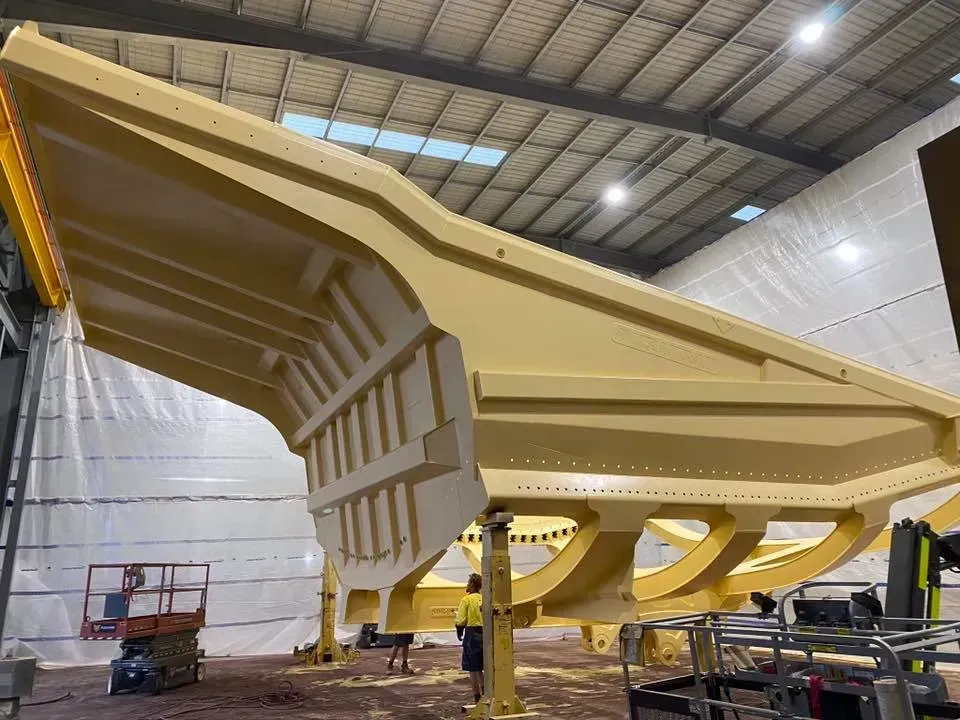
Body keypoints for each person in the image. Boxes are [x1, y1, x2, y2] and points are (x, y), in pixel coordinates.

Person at [455, 573, 483, 704]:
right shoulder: (484, 598)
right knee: (484, 666)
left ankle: (477, 697)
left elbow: (460, 621)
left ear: (470, 584)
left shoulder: (466, 600)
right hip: (486, 634)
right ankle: (487, 693)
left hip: (472, 635)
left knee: (473, 668)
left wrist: (459, 631)